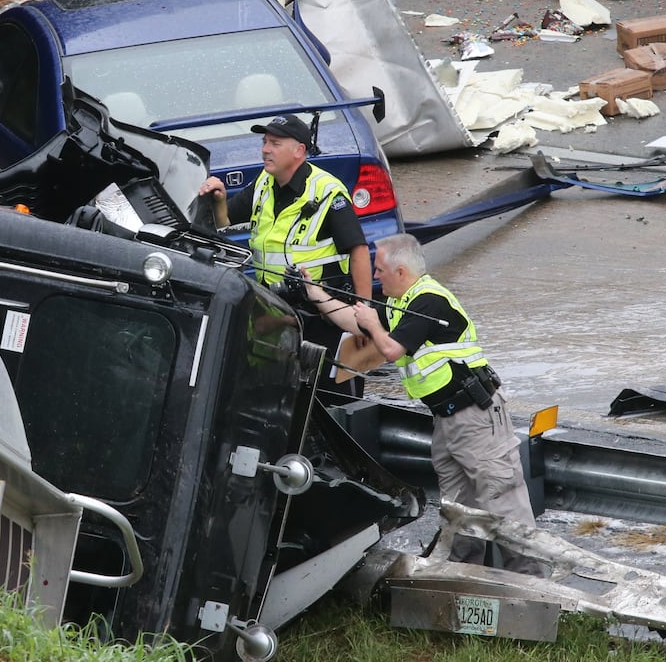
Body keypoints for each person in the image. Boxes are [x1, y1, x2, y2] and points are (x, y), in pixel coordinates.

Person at [304, 232, 545, 576]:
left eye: (379, 270)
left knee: (502, 497)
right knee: (458, 506)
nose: (375, 277)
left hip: (474, 415)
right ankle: (461, 574)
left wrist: (372, 323)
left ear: (400, 272)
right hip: (447, 421)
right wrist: (316, 294)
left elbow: (389, 350)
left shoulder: (429, 301)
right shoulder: (402, 303)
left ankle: (533, 583)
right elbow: (352, 321)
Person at [197, 113, 371, 394]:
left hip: (323, 314)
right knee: (281, 393)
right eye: (265, 142)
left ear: (299, 151)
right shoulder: (263, 184)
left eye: (275, 143)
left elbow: (359, 250)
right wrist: (219, 197)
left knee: (330, 398)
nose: (265, 149)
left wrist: (364, 317)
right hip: (277, 308)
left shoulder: (328, 192)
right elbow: (226, 220)